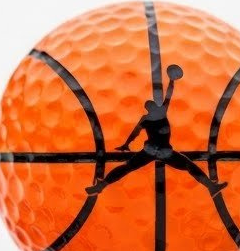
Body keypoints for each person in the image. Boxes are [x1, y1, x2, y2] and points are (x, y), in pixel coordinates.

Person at [85, 64, 227, 197]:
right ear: (152, 107)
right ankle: (211, 187)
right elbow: (168, 97)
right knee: (189, 166)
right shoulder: (161, 112)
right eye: (151, 104)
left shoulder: (146, 118)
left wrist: (126, 144)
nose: (152, 105)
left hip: (150, 150)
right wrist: (172, 81)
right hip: (164, 151)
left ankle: (101, 186)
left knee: (127, 167)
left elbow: (135, 132)